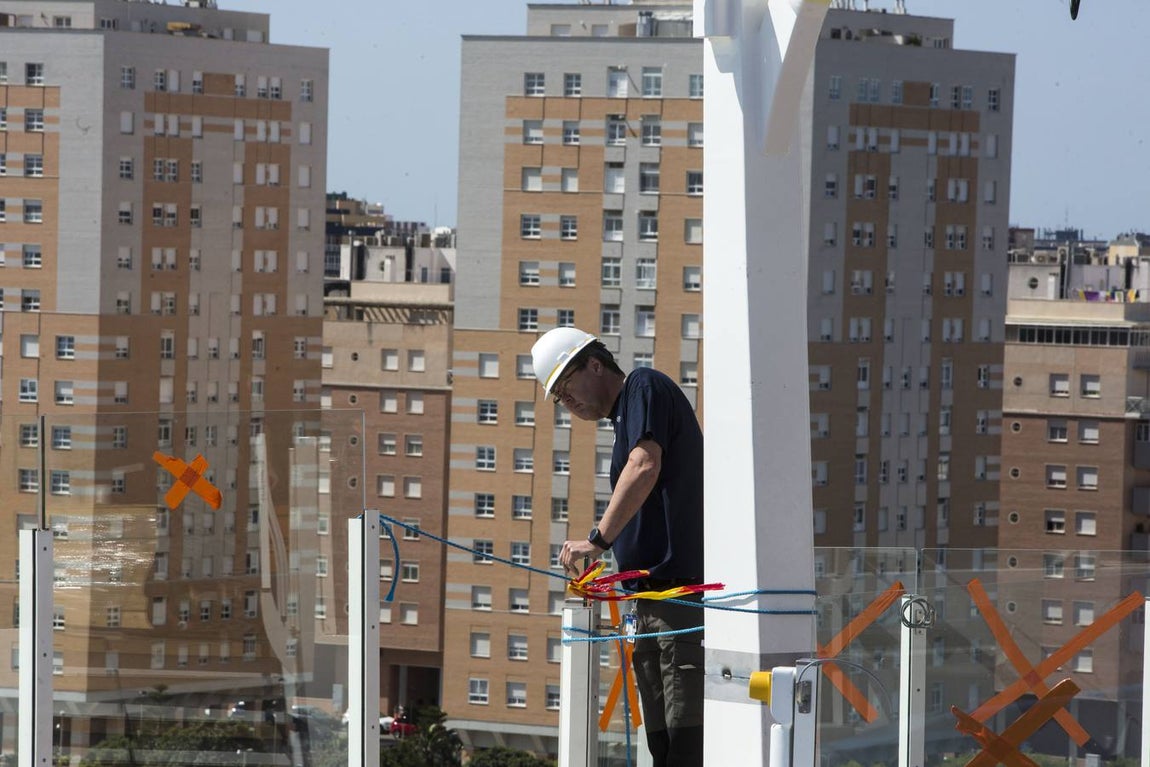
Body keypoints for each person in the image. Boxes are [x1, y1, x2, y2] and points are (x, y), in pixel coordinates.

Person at [531, 327, 704, 767]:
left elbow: (644, 465)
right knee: (661, 742)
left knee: (684, 740)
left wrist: (597, 541)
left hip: (676, 595)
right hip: (648, 601)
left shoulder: (643, 386)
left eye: (566, 389)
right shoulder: (624, 418)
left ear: (594, 364)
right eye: (560, 399)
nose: (568, 404)